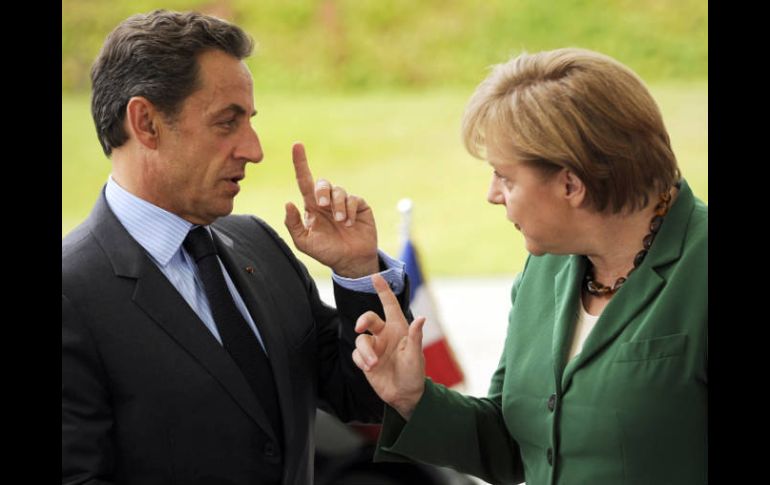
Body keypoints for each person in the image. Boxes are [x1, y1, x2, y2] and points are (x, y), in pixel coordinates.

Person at [62, 10, 411, 485]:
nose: (254, 148)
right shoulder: (72, 292)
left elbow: (364, 398)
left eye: (249, 120)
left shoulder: (259, 244)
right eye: (228, 123)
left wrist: (356, 271)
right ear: (145, 123)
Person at [352, 48, 707, 484]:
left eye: (505, 177)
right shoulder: (546, 269)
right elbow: (513, 445)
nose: (492, 194)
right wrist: (414, 399)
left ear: (570, 183)